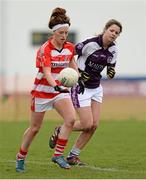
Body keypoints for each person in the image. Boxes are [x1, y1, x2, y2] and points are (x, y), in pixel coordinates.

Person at [15, 7, 84, 172]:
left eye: (66, 33)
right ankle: (20, 157)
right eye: (61, 33)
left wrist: (78, 77)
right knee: (35, 128)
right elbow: (46, 72)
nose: (64, 36)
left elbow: (72, 63)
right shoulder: (45, 49)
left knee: (70, 120)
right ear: (54, 33)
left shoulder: (69, 47)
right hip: (42, 92)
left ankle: (58, 155)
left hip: (59, 92)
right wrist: (55, 85)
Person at [49, 19, 122, 165]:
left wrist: (111, 71)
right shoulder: (90, 43)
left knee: (94, 125)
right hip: (81, 87)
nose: (114, 34)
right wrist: (76, 73)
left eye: (117, 33)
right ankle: (61, 129)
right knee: (86, 124)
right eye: (112, 30)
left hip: (96, 88)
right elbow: (69, 53)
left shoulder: (113, 49)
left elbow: (110, 67)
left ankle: (72, 156)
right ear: (105, 29)